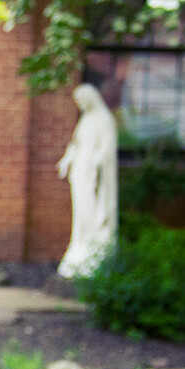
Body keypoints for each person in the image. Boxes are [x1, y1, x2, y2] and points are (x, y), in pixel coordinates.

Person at [56, 83, 118, 278]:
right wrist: (66, 160)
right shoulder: (86, 120)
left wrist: (95, 164)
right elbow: (76, 143)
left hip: (92, 171)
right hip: (80, 170)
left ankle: (94, 243)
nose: (80, 104)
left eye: (81, 100)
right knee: (80, 209)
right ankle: (81, 242)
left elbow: (107, 147)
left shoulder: (104, 119)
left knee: (91, 208)